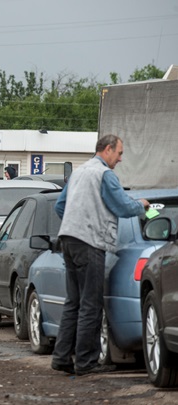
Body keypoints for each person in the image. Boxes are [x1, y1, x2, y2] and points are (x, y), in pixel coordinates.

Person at [51, 134, 149, 376]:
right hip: (89, 243)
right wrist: (142, 205)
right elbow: (122, 206)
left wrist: (77, 222)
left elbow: (59, 206)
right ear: (107, 150)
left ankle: (62, 357)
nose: (121, 158)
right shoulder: (104, 174)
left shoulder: (79, 172)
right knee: (91, 304)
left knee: (73, 302)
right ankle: (85, 363)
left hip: (68, 240)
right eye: (119, 153)